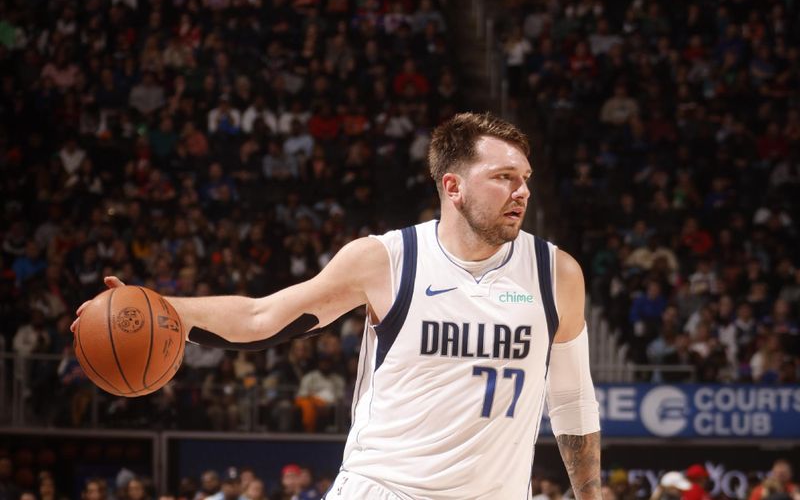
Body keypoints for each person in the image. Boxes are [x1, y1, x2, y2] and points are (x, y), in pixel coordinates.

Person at [74, 113, 601, 499]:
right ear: (453, 186)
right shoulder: (386, 260)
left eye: (525, 178)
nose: (522, 191)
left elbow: (574, 401)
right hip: (384, 489)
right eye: (504, 177)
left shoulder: (557, 275)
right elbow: (264, 316)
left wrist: (590, 497)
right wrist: (168, 310)